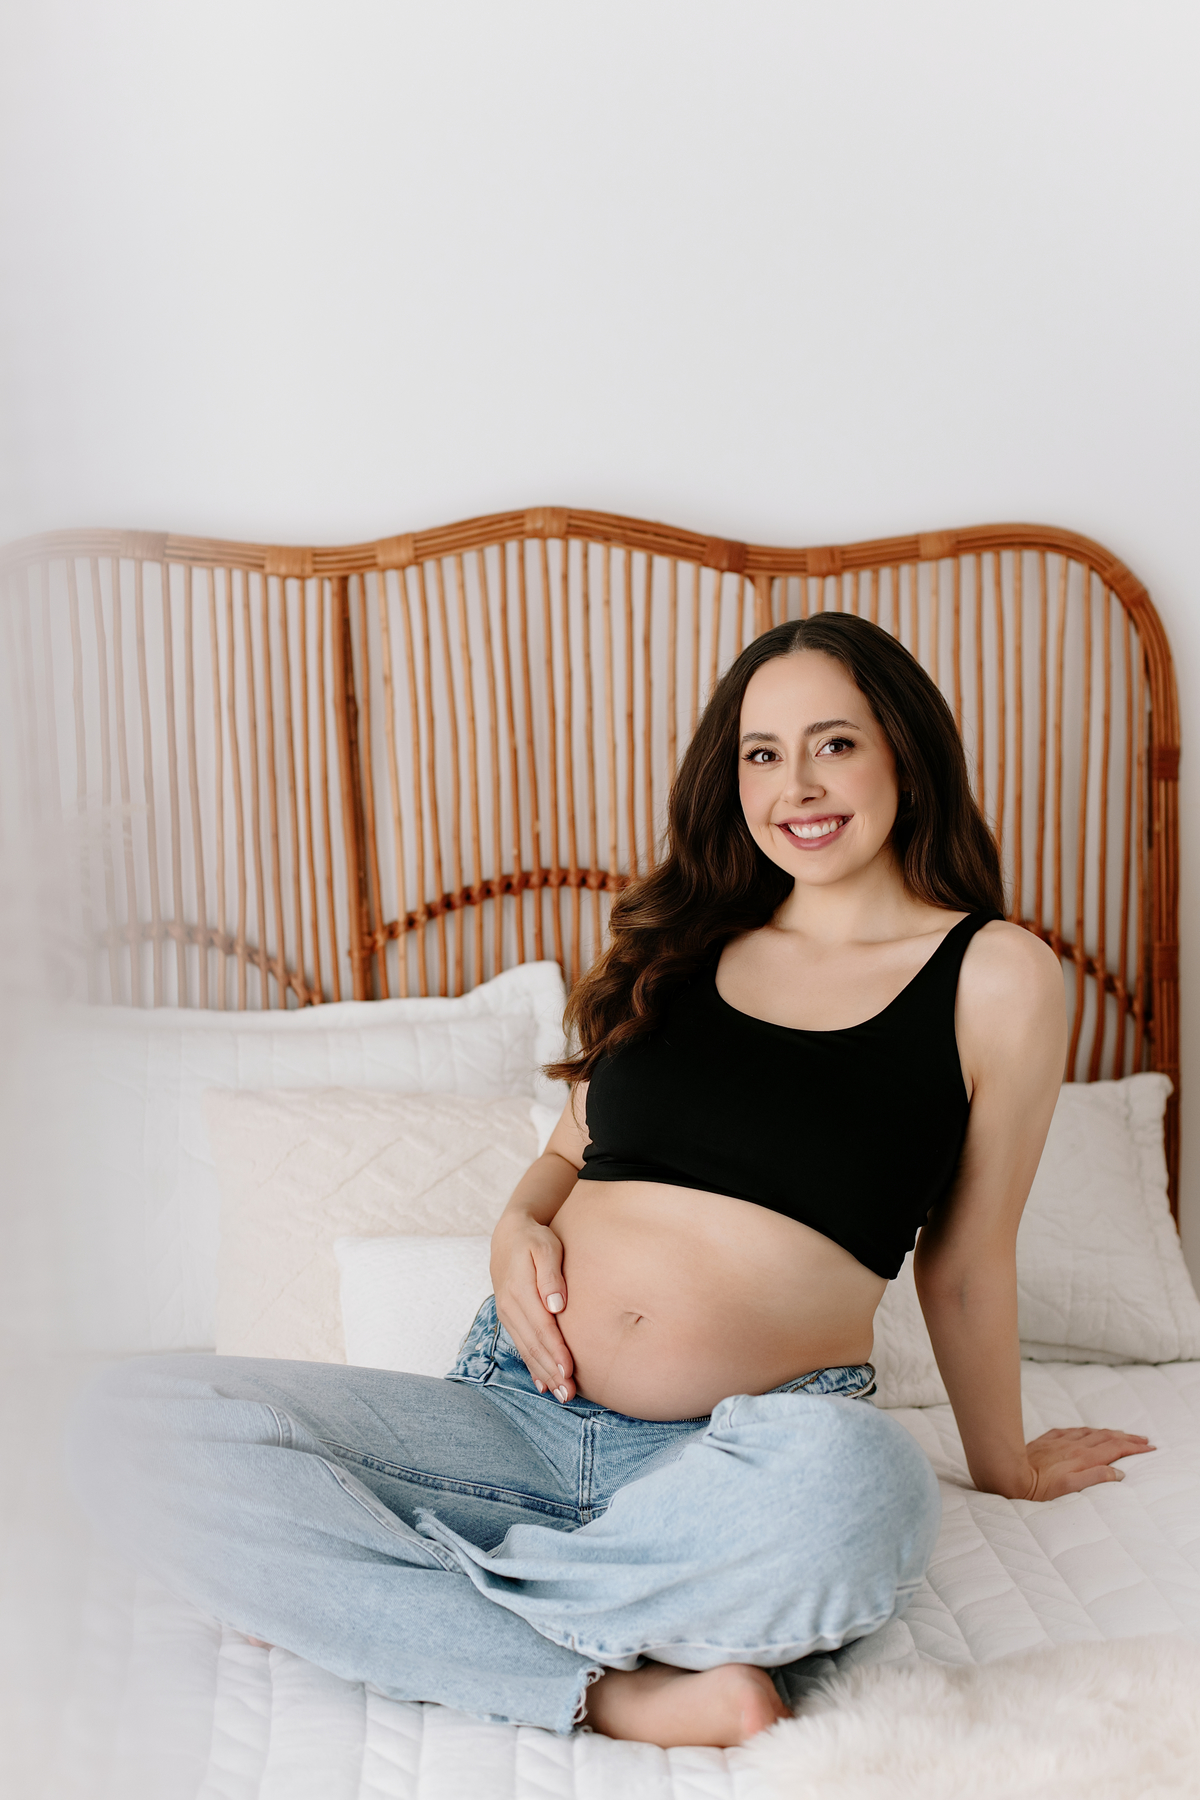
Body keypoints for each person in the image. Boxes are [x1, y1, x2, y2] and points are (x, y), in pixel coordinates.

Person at [69, 614, 1153, 1751]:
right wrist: (512, 1227)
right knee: (125, 1423)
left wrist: (1007, 1467)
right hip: (508, 1415)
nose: (796, 785)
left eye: (834, 744)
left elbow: (967, 1263)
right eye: (762, 753)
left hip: (737, 1454)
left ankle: (377, 1602)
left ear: (906, 755)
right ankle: (615, 1686)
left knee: (867, 1483)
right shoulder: (679, 945)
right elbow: (565, 1155)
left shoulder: (993, 974)